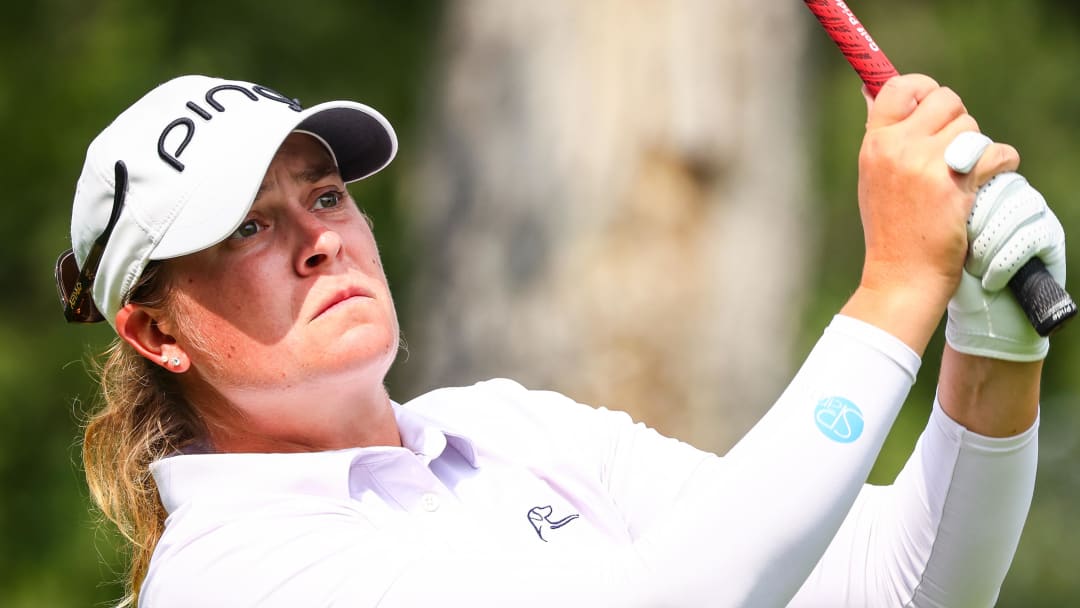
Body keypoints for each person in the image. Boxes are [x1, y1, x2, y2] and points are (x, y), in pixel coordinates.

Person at [56, 73, 1065, 607]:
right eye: (248, 226)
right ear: (155, 330)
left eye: (322, 193)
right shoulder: (230, 570)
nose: (321, 238)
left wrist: (991, 333)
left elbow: (898, 588)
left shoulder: (504, 426)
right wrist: (895, 285)